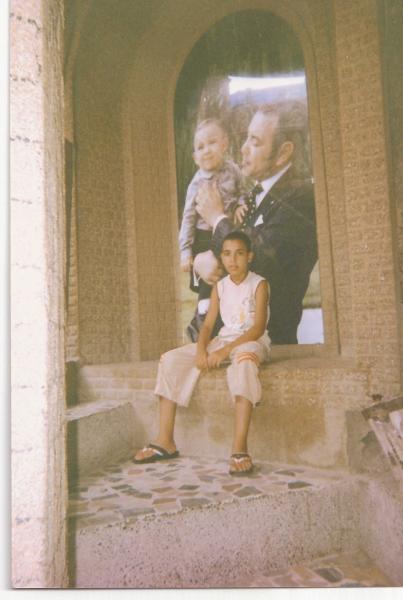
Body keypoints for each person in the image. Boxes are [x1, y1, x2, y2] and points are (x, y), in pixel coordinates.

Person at [133, 231, 270, 475]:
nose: (232, 260)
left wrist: (224, 352)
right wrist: (201, 350)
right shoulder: (220, 286)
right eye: (227, 254)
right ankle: (165, 441)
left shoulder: (259, 284)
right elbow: (207, 326)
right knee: (170, 360)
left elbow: (258, 327)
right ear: (221, 257)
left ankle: (239, 449)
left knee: (244, 363)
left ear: (249, 256)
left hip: (251, 340)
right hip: (224, 339)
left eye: (239, 254)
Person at [194, 101, 318, 345]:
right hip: (223, 341)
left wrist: (217, 218)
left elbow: (261, 261)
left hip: (266, 347)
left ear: (283, 153)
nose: (243, 149)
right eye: (246, 138)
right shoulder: (253, 196)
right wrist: (199, 266)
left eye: (255, 141)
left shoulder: (302, 198)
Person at [178, 118, 245, 337]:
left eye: (212, 143)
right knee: (209, 267)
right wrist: (185, 250)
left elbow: (242, 191)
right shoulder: (197, 183)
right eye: (200, 147)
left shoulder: (233, 170)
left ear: (224, 144)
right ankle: (204, 303)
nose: (206, 150)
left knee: (227, 268)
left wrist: (240, 204)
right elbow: (188, 217)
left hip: (227, 227)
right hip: (204, 234)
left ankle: (230, 310)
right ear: (195, 158)